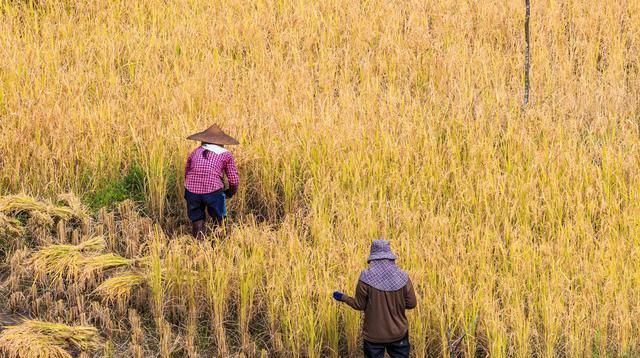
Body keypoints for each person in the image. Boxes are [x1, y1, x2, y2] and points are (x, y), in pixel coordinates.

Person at [333, 239, 417, 358]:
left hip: (373, 337)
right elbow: (412, 303)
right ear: (390, 257)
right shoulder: (403, 277)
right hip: (398, 333)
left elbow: (359, 305)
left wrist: (343, 297)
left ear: (372, 257)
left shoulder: (365, 278)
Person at [184, 124, 239, 238]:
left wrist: (191, 188)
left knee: (197, 220)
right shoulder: (226, 154)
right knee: (219, 220)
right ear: (221, 143)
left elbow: (187, 173)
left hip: (191, 191)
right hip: (212, 190)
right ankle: (220, 245)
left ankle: (198, 248)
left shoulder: (195, 152)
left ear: (203, 141)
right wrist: (231, 192)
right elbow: (233, 179)